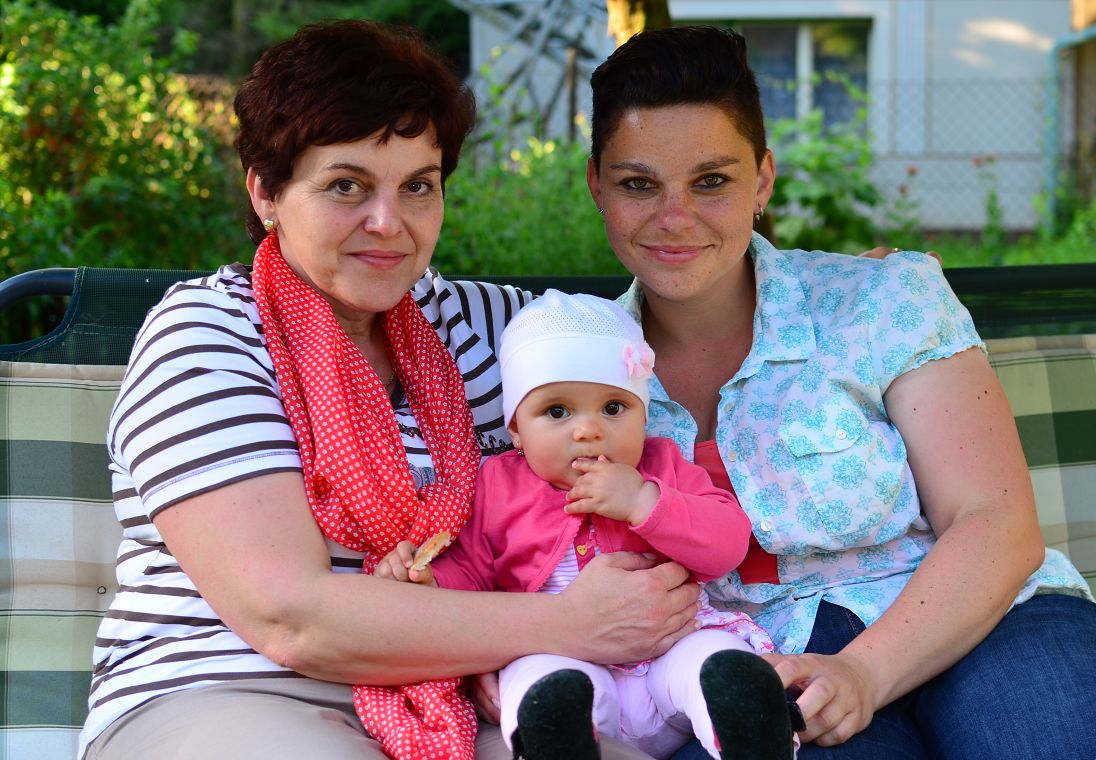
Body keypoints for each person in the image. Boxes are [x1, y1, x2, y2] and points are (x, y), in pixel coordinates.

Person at [78, 20, 703, 760]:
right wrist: (569, 625)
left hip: (468, 696)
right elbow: (290, 618)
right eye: (346, 186)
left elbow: (687, 335)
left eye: (417, 187)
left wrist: (826, 288)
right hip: (231, 690)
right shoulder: (207, 334)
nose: (388, 223)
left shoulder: (493, 330)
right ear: (266, 192)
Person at [570, 25, 1096, 759]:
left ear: (763, 180)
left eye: (711, 181)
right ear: (597, 186)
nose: (675, 217)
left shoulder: (880, 300)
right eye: (638, 184)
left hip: (991, 620)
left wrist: (865, 671)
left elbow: (994, 520)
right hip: (763, 664)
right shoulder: (572, 368)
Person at [379, 290, 798, 760]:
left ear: (643, 415)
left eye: (614, 408)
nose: (588, 430)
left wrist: (645, 501)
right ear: (516, 429)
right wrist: (430, 581)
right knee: (538, 680)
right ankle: (558, 734)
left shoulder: (661, 467)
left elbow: (728, 544)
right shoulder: (498, 484)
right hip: (564, 654)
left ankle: (746, 724)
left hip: (668, 649)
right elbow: (474, 573)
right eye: (557, 411)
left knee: (714, 657)